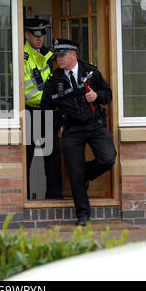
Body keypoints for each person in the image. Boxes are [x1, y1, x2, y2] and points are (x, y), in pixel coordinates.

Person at [41, 38, 117, 226]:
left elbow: (108, 94)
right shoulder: (53, 80)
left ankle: (85, 175)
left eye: (63, 55)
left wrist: (97, 96)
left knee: (108, 158)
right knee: (74, 171)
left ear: (74, 55)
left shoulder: (91, 72)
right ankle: (83, 214)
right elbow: (45, 108)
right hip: (72, 129)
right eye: (57, 56)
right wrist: (59, 123)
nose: (59, 59)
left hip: (95, 125)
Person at [23, 18, 62, 200]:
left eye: (42, 35)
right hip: (29, 112)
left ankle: (54, 199)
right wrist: (52, 100)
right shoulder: (22, 56)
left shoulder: (47, 55)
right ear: (27, 35)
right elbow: (26, 91)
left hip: (46, 112)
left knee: (53, 159)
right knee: (26, 159)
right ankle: (25, 200)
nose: (40, 39)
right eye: (36, 35)